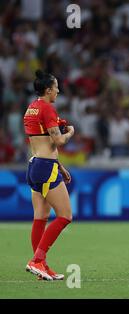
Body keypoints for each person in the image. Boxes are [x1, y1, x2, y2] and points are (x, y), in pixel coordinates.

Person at [23, 70, 75, 281]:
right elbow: (59, 141)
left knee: (40, 217)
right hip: (45, 167)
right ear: (47, 90)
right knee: (65, 216)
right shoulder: (47, 109)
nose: (58, 91)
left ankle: (40, 266)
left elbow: (42, 142)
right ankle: (37, 260)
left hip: (35, 164)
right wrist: (70, 132)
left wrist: (60, 166)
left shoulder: (31, 109)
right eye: (55, 87)